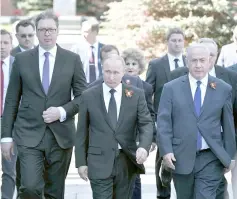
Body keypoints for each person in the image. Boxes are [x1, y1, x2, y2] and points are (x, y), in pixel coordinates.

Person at [1, 10, 87, 199]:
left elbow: (83, 97)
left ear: (57, 31)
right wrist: (6, 137)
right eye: (42, 29)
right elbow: (11, 100)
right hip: (28, 134)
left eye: (51, 29)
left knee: (54, 193)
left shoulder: (72, 59)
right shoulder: (22, 60)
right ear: (37, 32)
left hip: (61, 136)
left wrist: (62, 111)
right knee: (30, 187)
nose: (47, 33)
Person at [157, 43, 236, 199]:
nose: (198, 65)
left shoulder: (223, 88)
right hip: (180, 157)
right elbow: (164, 123)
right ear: (187, 62)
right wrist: (166, 151)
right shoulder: (171, 88)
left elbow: (228, 126)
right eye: (194, 61)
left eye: (202, 60)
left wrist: (229, 156)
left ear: (209, 61)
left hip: (211, 157)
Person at [75, 55, 153, 199]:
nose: (111, 77)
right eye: (107, 72)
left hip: (126, 161)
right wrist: (81, 162)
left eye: (116, 72)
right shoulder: (88, 95)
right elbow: (81, 131)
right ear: (102, 71)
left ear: (123, 72)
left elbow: (146, 123)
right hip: (98, 161)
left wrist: (144, 146)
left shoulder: (136, 95)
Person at [146, 27, 186, 199]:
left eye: (180, 40)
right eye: (173, 40)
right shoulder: (156, 65)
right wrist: (152, 121)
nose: (177, 43)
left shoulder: (189, 63)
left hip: (185, 120)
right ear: (167, 42)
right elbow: (148, 93)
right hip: (163, 120)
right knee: (162, 160)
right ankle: (162, 194)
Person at [122, 48, 157, 199]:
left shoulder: (146, 87)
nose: (130, 66)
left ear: (140, 67)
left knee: (136, 173)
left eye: (134, 64)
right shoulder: (117, 85)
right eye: (127, 63)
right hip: (121, 136)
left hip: (138, 137)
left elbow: (151, 114)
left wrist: (152, 138)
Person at [0, 29, 16, 199]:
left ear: (11, 45)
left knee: (9, 168)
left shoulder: (18, 65)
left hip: (11, 122)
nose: (2, 46)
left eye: (5, 42)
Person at [71, 19, 104, 83]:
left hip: (100, 85)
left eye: (86, 32)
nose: (83, 34)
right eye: (82, 31)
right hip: (82, 86)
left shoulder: (104, 49)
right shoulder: (76, 49)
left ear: (95, 32)